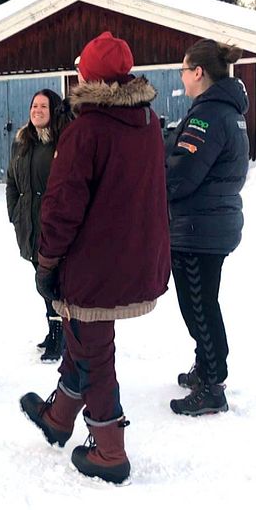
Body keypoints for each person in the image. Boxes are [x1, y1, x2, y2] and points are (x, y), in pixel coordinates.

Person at [19, 32, 170, 484]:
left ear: (89, 76)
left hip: (93, 264)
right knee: (84, 339)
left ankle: (110, 449)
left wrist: (47, 263)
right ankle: (59, 417)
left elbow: (62, 207)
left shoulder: (86, 130)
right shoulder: (147, 122)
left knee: (93, 353)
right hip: (133, 258)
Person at [166, 39, 249, 416]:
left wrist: (160, 174)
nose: (182, 77)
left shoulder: (208, 115)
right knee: (201, 301)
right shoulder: (226, 111)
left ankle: (213, 384)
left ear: (199, 72)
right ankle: (205, 367)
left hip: (200, 227)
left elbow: (182, 174)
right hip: (211, 221)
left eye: (184, 70)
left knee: (199, 305)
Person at [6, 88, 72, 363]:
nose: (37, 110)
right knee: (42, 281)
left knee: (55, 283)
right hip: (29, 225)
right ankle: (53, 329)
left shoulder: (62, 142)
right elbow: (11, 181)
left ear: (54, 110)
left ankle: (62, 336)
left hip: (53, 226)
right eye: (34, 105)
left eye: (43, 106)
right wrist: (14, 213)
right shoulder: (22, 143)